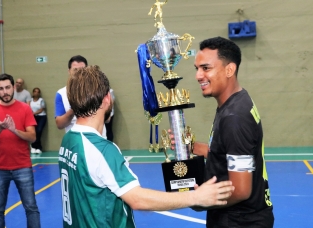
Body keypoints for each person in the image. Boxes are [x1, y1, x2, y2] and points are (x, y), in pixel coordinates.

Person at [58, 66, 234, 228]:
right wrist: (196, 196)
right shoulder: (102, 150)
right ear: (107, 98)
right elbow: (137, 199)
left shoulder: (69, 140)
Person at [192, 36, 274, 227]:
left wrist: (200, 200)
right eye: (197, 69)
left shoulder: (234, 117)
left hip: (239, 221)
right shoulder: (237, 101)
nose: (198, 75)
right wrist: (192, 147)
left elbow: (241, 190)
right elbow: (229, 152)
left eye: (206, 68)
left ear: (230, 69)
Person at [0, 73, 41, 228]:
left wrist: (14, 130)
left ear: (13, 87)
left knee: (31, 207)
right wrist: (0, 128)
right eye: (1, 89)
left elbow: (32, 137)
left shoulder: (25, 109)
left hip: (22, 166)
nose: (5, 92)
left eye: (8, 87)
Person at [54, 55, 107, 137]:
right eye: (75, 70)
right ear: (69, 71)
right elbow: (60, 124)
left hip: (97, 138)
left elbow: (107, 118)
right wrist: (74, 108)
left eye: (82, 70)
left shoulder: (97, 89)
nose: (79, 73)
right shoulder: (61, 93)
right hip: (75, 141)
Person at [30, 87, 47, 154]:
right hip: (33, 118)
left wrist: (34, 113)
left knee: (39, 131)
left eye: (38, 92)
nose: (36, 93)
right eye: (35, 91)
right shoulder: (30, 100)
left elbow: (41, 109)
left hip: (41, 117)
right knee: (33, 132)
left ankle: (39, 147)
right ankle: (33, 146)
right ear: (33, 92)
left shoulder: (41, 100)